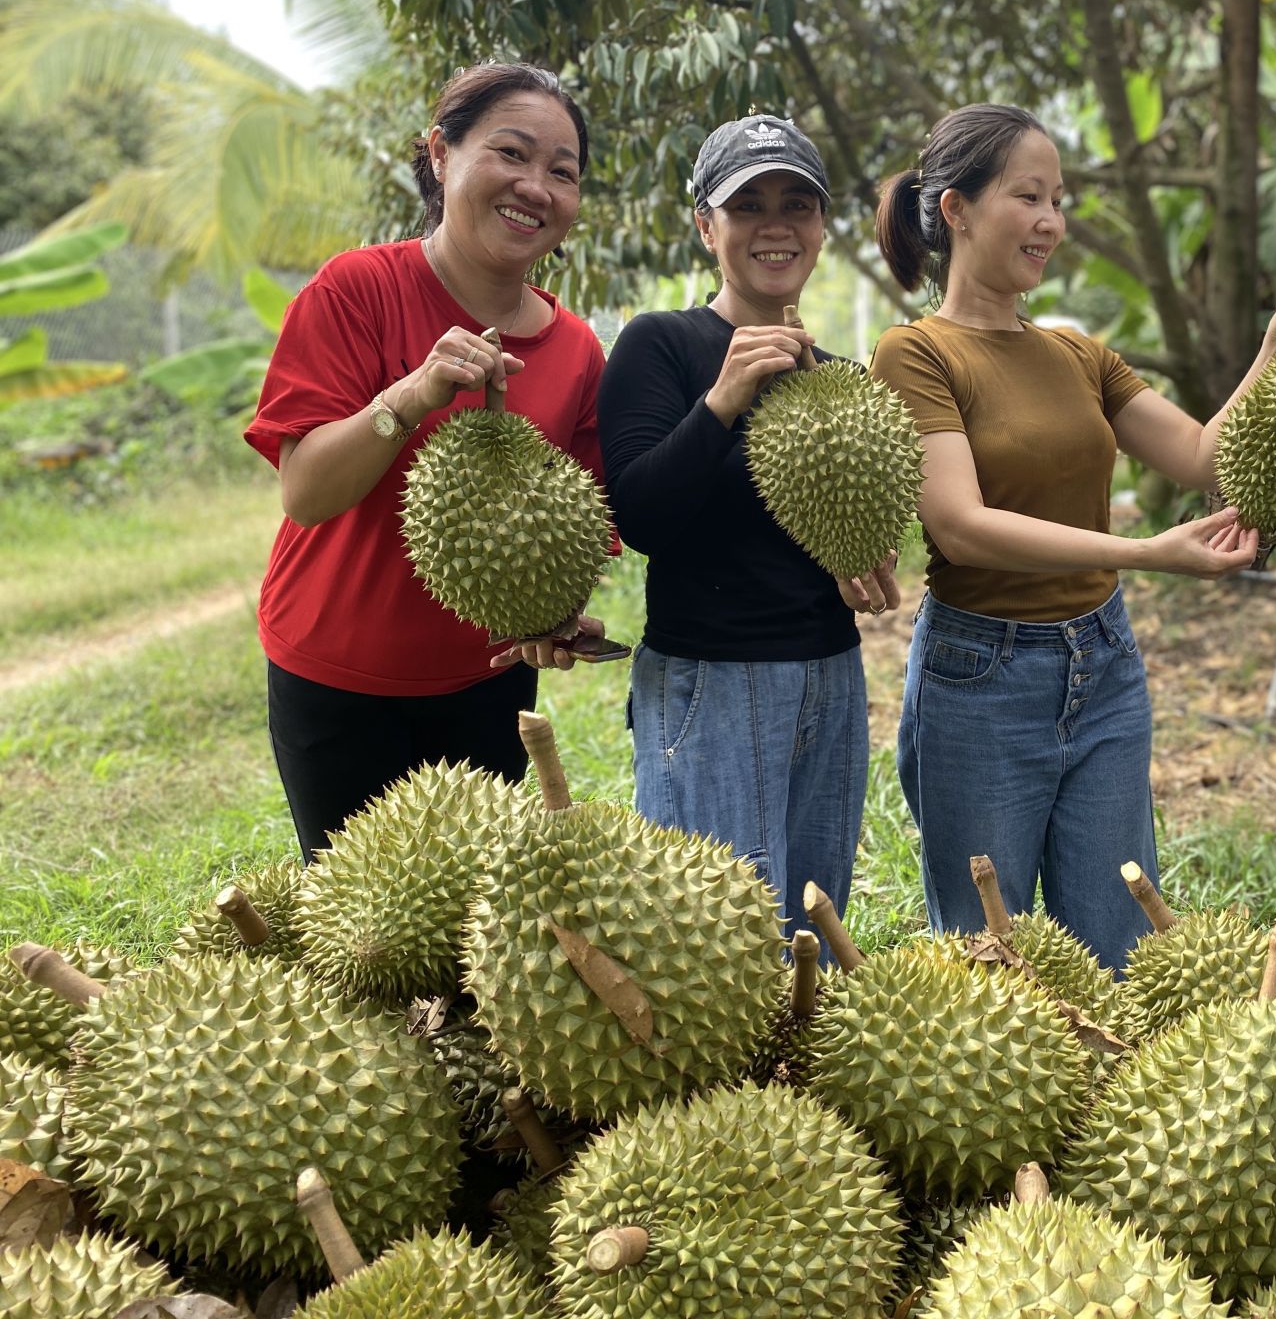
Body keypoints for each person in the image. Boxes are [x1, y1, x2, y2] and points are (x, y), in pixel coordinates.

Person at [870, 102, 1276, 971]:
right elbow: (961, 527)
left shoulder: (1079, 354)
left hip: (1105, 667)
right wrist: (1147, 554)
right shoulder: (916, 353)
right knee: (991, 957)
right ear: (956, 210)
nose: (1053, 222)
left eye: (1061, 200)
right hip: (981, 677)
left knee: (1122, 943)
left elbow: (1204, 456)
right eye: (1029, 197)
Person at [246, 63, 608, 862]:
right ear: (442, 155)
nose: (535, 187)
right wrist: (410, 395)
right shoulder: (356, 291)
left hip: (485, 689)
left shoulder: (577, 349)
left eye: (562, 171)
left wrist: (552, 617)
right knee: (369, 943)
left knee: (473, 938)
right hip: (337, 680)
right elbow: (304, 493)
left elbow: (573, 521)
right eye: (510, 153)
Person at [598, 115, 899, 944]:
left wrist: (862, 558)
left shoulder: (839, 379)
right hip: (712, 682)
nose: (776, 225)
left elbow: (849, 526)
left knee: (812, 934)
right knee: (709, 945)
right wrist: (723, 401)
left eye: (797, 205)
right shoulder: (662, 345)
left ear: (821, 228)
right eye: (747, 204)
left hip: (830, 679)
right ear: (706, 226)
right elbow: (642, 514)